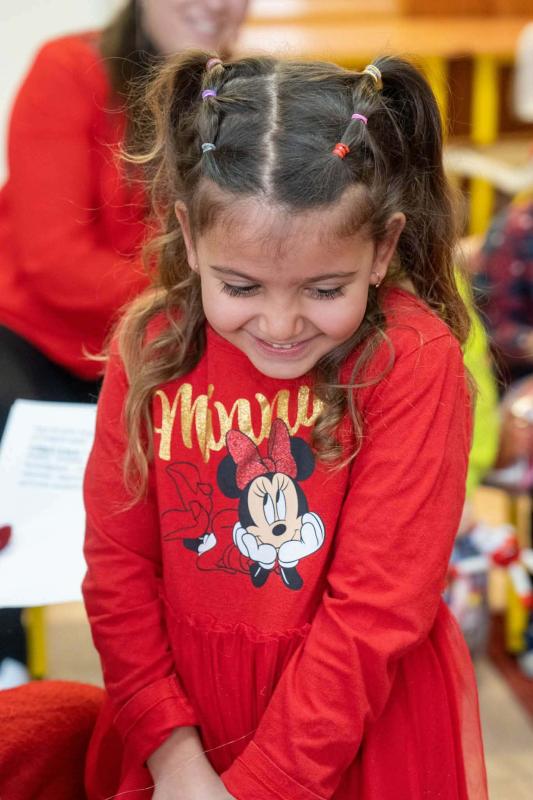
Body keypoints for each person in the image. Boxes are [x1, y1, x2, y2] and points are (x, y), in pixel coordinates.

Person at [82, 53, 488, 799]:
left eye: (324, 289)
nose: (278, 325)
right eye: (239, 286)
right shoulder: (152, 349)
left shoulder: (411, 361)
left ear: (382, 249)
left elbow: (376, 611)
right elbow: (117, 570)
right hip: (179, 729)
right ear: (190, 238)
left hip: (350, 730)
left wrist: (263, 786)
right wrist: (173, 757)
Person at [0, 0, 249, 688]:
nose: (217, 4)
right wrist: (213, 289)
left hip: (166, 344)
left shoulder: (242, 92)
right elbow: (53, 263)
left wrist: (233, 292)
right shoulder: (68, 69)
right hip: (42, 339)